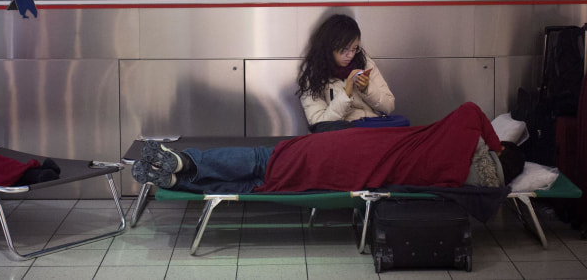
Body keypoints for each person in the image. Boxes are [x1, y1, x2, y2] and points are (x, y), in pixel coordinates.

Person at [131, 102, 525, 195]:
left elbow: (472, 110)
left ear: (501, 150)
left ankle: (182, 160)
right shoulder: (465, 181)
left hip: (354, 150)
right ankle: (175, 180)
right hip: (357, 176)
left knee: (267, 159)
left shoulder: (458, 140)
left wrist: (493, 143)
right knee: (260, 183)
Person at [297, 14, 396, 132]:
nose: (350, 55)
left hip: (373, 130)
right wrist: (346, 93)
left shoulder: (364, 62)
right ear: (328, 48)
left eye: (354, 49)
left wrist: (367, 89)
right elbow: (320, 125)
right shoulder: (313, 76)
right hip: (342, 137)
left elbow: (389, 106)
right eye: (344, 50)